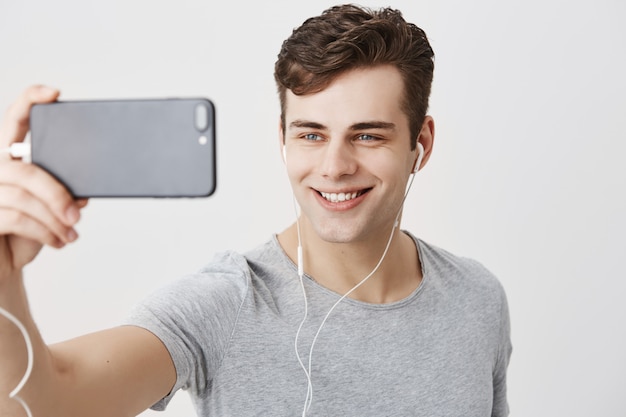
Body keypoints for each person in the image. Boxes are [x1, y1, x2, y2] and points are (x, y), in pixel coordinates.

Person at [0, 4, 511, 417]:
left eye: (367, 135)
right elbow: (43, 404)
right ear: (282, 139)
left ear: (420, 142)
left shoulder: (477, 298)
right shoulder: (225, 303)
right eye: (311, 134)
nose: (334, 167)